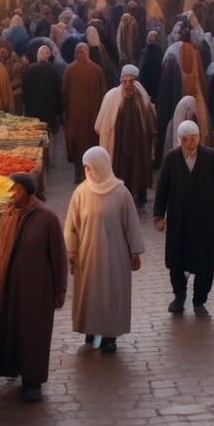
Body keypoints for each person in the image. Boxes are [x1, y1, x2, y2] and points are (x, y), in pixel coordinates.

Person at [0, 173, 67, 402]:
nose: (11, 194)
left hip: (35, 290)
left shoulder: (47, 218)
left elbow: (58, 255)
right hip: (7, 286)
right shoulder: (6, 216)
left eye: (15, 190)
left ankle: (33, 381)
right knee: (9, 328)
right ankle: (14, 369)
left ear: (28, 192)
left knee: (33, 333)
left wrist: (60, 288)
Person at [64, 147, 145, 354]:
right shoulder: (81, 192)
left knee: (111, 294)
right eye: (85, 168)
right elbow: (71, 226)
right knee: (89, 293)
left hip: (114, 257)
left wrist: (135, 252)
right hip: (88, 255)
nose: (87, 171)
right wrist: (71, 254)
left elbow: (132, 225)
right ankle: (91, 329)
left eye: (89, 167)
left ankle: (108, 336)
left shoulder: (120, 193)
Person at [154, 121, 214, 317]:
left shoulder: (210, 157)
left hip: (205, 219)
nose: (190, 143)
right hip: (178, 220)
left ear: (199, 137)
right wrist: (158, 215)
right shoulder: (171, 158)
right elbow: (162, 189)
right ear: (179, 139)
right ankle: (179, 296)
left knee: (204, 261)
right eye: (186, 139)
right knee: (177, 259)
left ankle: (199, 300)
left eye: (193, 138)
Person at [95, 64, 156, 208]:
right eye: (126, 81)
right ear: (121, 81)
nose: (129, 85)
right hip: (117, 142)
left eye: (132, 81)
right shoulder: (111, 97)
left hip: (138, 143)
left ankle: (140, 197)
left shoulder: (142, 97)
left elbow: (150, 122)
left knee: (138, 168)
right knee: (119, 169)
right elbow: (101, 124)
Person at [63, 41, 107, 182]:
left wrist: (65, 112)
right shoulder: (97, 70)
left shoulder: (70, 69)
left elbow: (64, 93)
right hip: (92, 115)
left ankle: (78, 174)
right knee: (90, 143)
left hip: (75, 115)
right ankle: (90, 173)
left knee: (77, 144)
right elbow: (103, 93)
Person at [22, 45, 64, 136]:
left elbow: (25, 94)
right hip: (50, 115)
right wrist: (59, 112)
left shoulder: (30, 70)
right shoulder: (54, 71)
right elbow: (59, 94)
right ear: (49, 56)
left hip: (33, 114)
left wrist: (26, 111)